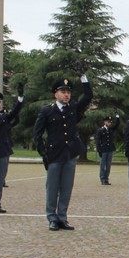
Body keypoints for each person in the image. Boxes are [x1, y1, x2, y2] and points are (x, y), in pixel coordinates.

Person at [34, 73, 93, 231]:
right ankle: (52, 217)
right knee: (52, 187)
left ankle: (62, 217)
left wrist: (83, 77)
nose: (66, 95)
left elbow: (88, 95)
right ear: (56, 94)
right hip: (54, 154)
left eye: (68, 92)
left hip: (70, 153)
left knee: (66, 187)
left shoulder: (73, 108)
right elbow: (37, 134)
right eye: (63, 92)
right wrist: (43, 153)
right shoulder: (47, 111)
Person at [95, 114, 120, 185]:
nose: (109, 123)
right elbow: (97, 141)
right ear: (105, 122)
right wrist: (99, 150)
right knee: (102, 165)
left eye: (110, 122)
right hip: (103, 150)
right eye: (108, 122)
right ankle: (102, 179)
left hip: (110, 149)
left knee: (108, 166)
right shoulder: (100, 130)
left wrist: (118, 118)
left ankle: (106, 179)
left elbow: (117, 125)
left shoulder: (110, 129)